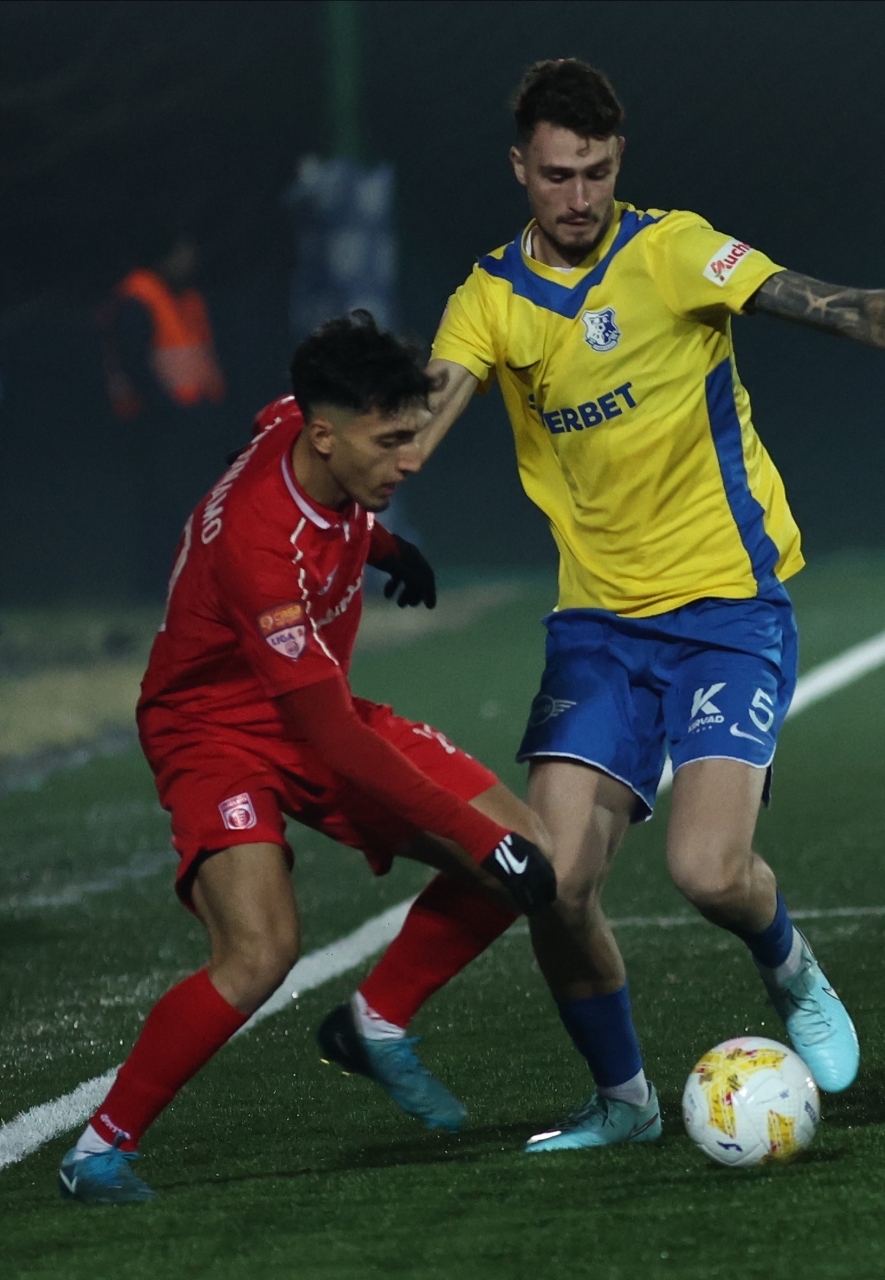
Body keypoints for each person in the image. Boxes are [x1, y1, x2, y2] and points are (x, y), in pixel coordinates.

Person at [404, 58, 885, 1153]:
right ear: (519, 169)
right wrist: (306, 464)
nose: (578, 197)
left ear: (620, 161)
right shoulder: (490, 300)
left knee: (706, 872)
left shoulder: (675, 251)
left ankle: (789, 966)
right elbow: (415, 426)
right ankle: (624, 1101)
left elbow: (836, 308)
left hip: (727, 610)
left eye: (596, 172)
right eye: (556, 175)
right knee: (554, 882)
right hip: (598, 629)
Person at [58, 313, 557, 1204]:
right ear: (326, 437)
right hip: (213, 729)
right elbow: (333, 740)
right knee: (260, 951)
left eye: (412, 434)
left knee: (534, 853)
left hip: (308, 696)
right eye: (391, 442)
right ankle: (98, 1150)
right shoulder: (260, 548)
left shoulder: (297, 419)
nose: (411, 460)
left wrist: (388, 548)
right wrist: (479, 841)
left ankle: (375, 1022)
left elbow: (288, 447)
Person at [99, 233, 230, 595]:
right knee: (160, 503)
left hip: (189, 418)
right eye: (182, 251)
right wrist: (165, 407)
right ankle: (156, 583)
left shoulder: (184, 298)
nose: (190, 258)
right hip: (154, 421)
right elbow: (134, 363)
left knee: (188, 501)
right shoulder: (138, 298)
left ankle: (186, 580)